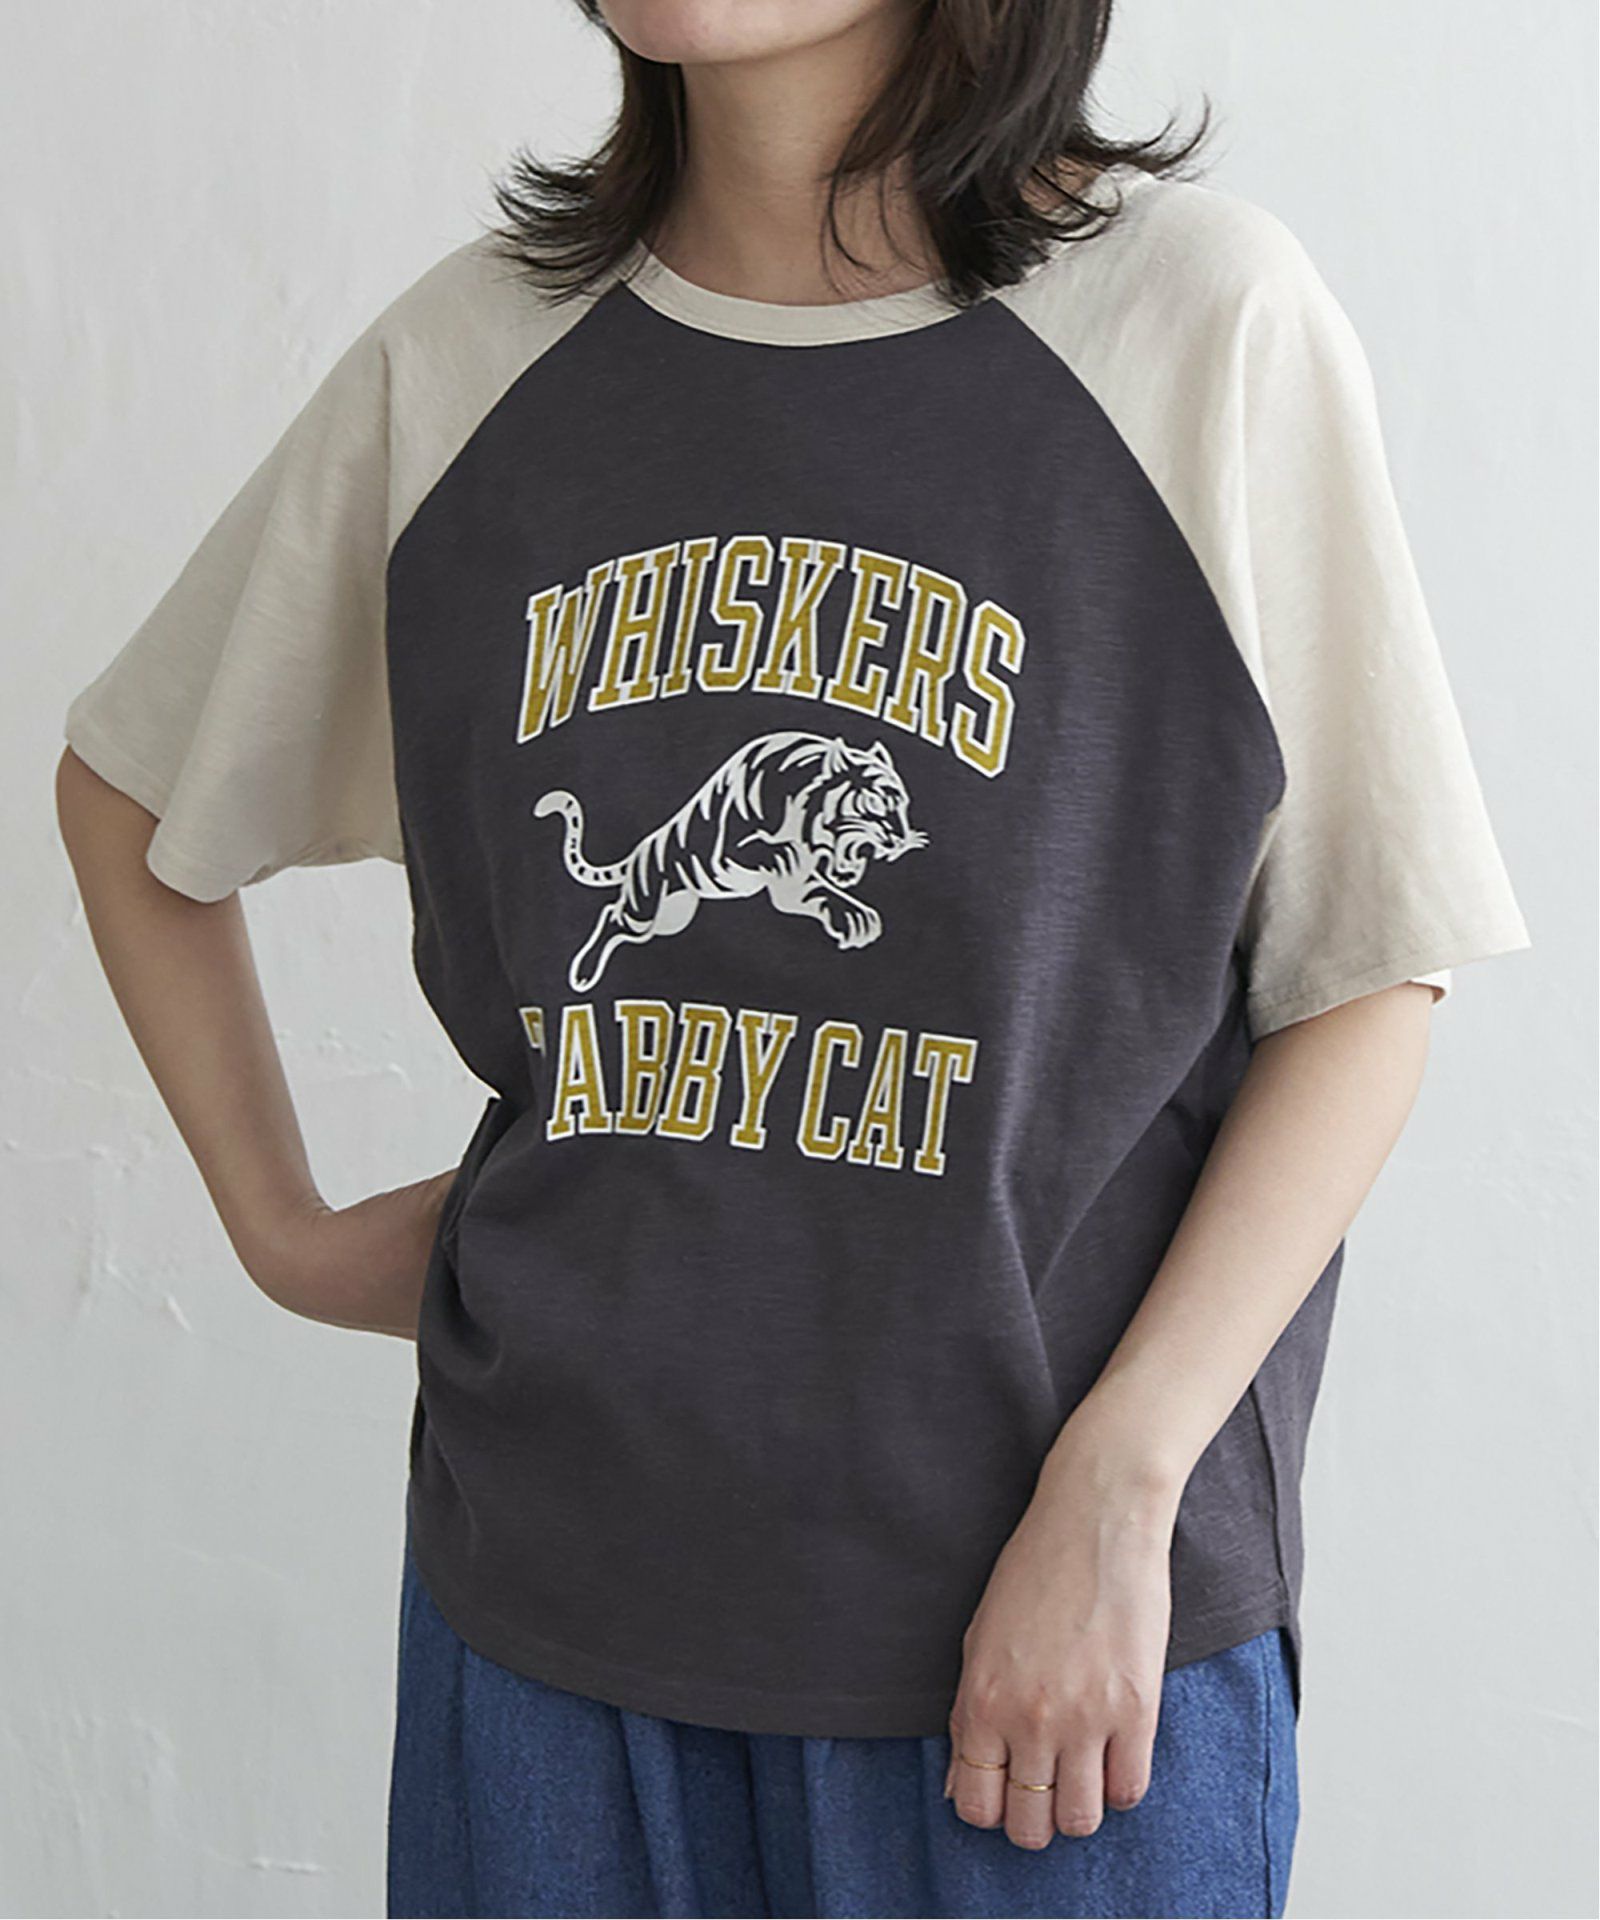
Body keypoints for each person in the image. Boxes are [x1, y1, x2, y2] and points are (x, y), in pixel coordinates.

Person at [55, 2, 1531, 1915]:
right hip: (548, 1639)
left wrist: (1124, 1481)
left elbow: (1367, 969)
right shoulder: (476, 355)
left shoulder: (1196, 323)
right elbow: (132, 796)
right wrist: (285, 1234)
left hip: (1045, 1665)